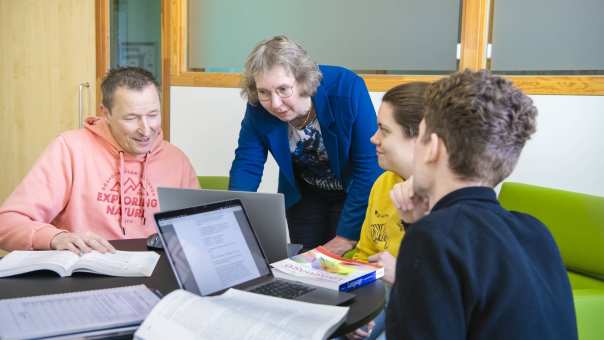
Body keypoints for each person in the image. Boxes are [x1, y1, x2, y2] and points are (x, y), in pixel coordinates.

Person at [387, 70, 577, 339]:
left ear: (434, 148)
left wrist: (420, 230)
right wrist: (417, 224)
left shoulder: (433, 239)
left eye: (419, 136)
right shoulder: (536, 232)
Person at [0, 67, 199, 254]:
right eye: (131, 118)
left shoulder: (176, 160)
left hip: (156, 271)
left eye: (153, 115)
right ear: (106, 113)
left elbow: (199, 231)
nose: (146, 130)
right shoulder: (70, 148)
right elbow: (7, 223)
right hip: (87, 271)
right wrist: (56, 237)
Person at [229, 36, 382, 255]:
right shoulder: (258, 107)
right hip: (305, 193)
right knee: (306, 263)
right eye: (264, 92)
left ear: (304, 80)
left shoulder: (347, 89)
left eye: (283, 89)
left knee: (344, 263)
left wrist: (345, 237)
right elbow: (247, 164)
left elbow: (369, 166)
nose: (275, 104)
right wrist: (232, 222)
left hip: (352, 190)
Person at [344, 82, 429, 340]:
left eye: (383, 130)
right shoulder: (383, 184)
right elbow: (364, 255)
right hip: (376, 293)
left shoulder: (448, 201)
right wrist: (354, 306)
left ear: (419, 138)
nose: (373, 139)